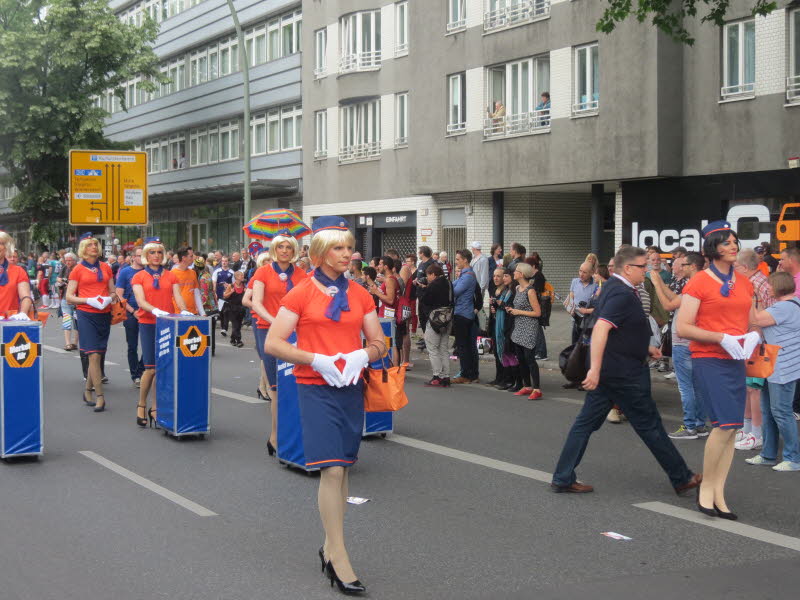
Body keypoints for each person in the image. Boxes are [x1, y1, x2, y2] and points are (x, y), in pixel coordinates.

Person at [265, 216, 384, 596]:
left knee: (344, 467)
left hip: (350, 385)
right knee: (331, 469)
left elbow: (381, 342)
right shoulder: (300, 292)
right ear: (319, 253)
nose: (347, 254)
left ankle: (329, 546)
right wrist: (315, 359)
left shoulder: (361, 293)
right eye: (339, 247)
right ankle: (338, 553)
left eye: (349, 247)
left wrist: (360, 356)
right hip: (314, 386)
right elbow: (274, 343)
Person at [552, 245, 703, 496]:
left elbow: (619, 331)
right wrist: (595, 371)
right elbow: (601, 328)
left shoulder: (614, 287)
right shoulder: (622, 293)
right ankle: (681, 477)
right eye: (643, 266)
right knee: (650, 424)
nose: (647, 271)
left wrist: (644, 347)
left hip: (616, 369)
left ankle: (563, 476)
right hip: (624, 374)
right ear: (628, 268)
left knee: (586, 424)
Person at [676, 221, 757, 519]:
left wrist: (754, 335)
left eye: (734, 240)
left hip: (736, 360)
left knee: (733, 428)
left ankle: (719, 493)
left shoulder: (745, 282)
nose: (733, 245)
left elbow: (753, 320)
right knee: (723, 426)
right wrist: (722, 337)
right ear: (712, 248)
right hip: (708, 358)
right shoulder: (698, 282)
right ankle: (706, 489)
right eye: (725, 242)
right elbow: (684, 327)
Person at [251, 231, 308, 456]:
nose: (285, 251)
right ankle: (275, 436)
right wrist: (277, 322)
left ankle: (294, 434)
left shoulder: (303, 275)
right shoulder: (262, 272)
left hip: (295, 333)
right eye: (281, 247)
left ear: (294, 251)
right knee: (276, 388)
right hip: (267, 330)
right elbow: (256, 303)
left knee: (295, 385)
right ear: (274, 250)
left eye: (289, 247)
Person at [132, 237, 191, 428]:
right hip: (148, 322)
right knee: (150, 368)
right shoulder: (139, 276)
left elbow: (178, 296)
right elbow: (140, 301)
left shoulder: (171, 275)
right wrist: (154, 310)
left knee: (163, 368)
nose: (156, 256)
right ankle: (142, 404)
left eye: (159, 252)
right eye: (152, 252)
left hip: (167, 323)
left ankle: (156, 407)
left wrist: (183, 311)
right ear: (146, 255)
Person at [746, 272, 800, 471]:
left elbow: (756, 319)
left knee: (781, 412)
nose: (767, 288)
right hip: (775, 365)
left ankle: (793, 458)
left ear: (778, 286)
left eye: (769, 285)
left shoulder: (783, 308)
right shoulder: (791, 305)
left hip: (781, 368)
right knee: (768, 410)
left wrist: (750, 298)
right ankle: (768, 454)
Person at [650, 252, 708, 438]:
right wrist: (661, 285)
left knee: (686, 386)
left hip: (683, 341)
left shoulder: (695, 284)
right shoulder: (703, 283)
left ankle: (690, 426)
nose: (680, 268)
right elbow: (676, 300)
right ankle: (699, 425)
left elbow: (668, 306)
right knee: (697, 385)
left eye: (684, 264)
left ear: (692, 266)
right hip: (697, 340)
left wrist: (657, 282)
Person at [66, 233, 117, 412]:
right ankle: (100, 396)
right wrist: (88, 300)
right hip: (86, 314)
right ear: (83, 249)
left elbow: (113, 292)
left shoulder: (106, 267)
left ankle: (87, 390)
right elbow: (69, 296)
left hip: (104, 314)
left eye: (95, 244)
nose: (94, 247)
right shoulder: (77, 269)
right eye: (90, 245)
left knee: (98, 354)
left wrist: (108, 299)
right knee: (93, 355)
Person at [733, 248, 776, 450]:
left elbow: (769, 316)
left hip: (759, 343)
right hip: (750, 340)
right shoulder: (756, 283)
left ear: (744, 267)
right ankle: (748, 428)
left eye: (735, 266)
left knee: (754, 389)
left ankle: (756, 434)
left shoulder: (760, 285)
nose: (733, 269)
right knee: (748, 388)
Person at [507, 263, 543, 400]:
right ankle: (527, 385)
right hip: (518, 326)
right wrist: (510, 309)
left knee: (529, 358)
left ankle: (537, 388)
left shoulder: (530, 290)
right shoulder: (517, 288)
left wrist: (518, 311)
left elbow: (537, 313)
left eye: (516, 271)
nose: (513, 273)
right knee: (520, 358)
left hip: (529, 327)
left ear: (521, 274)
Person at [115, 246, 145, 388]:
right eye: (138, 255)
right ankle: (135, 375)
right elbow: (119, 295)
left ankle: (141, 369)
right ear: (133, 257)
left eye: (143, 255)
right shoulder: (125, 272)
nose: (141, 258)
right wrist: (132, 311)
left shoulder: (148, 271)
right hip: (131, 313)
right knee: (132, 345)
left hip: (147, 312)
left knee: (150, 344)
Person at [420, 262, 453, 387]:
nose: (427, 278)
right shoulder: (449, 283)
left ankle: (437, 376)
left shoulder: (434, 285)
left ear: (433, 274)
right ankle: (446, 376)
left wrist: (423, 289)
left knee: (433, 348)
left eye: (428, 275)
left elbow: (425, 301)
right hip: (448, 318)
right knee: (443, 348)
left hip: (435, 319)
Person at [451, 249, 480, 384]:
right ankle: (471, 373)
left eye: (458, 259)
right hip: (463, 313)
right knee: (467, 345)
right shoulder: (465, 275)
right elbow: (452, 286)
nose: (456, 262)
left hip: (463, 314)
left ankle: (466, 374)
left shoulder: (468, 276)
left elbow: (454, 291)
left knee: (463, 346)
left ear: (465, 260)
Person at [368, 256, 399, 362]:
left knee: (392, 342)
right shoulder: (387, 280)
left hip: (388, 315)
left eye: (380, 264)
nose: (378, 266)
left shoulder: (390, 280)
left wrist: (376, 292)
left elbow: (390, 300)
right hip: (384, 313)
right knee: (387, 341)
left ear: (386, 266)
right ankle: (390, 368)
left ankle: (394, 371)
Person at [0, 231, 34, 319]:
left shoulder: (18, 271)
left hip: (9, 323)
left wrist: (23, 313)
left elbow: (25, 296)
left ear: (6, 247)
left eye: (1, 243)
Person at [568, 262, 598, 345]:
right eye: (580, 271)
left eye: (584, 272)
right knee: (575, 346)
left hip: (589, 322)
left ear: (591, 273)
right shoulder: (575, 281)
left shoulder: (596, 285)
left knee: (586, 347)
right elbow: (571, 297)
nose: (581, 274)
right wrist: (569, 308)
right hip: (575, 320)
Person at [172, 246, 203, 316]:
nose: (193, 258)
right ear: (183, 258)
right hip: (177, 314)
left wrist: (202, 312)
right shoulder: (172, 274)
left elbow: (196, 293)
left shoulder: (193, 273)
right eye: (191, 256)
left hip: (192, 313)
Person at [59, 252, 79, 351]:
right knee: (66, 320)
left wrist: (72, 284)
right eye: (66, 260)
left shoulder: (79, 269)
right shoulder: (64, 268)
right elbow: (58, 279)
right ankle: (67, 343)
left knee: (77, 322)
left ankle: (74, 343)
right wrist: (63, 281)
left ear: (75, 260)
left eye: (70, 260)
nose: (67, 262)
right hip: (65, 298)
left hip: (78, 299)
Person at [222, 271, 246, 347]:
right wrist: (231, 292)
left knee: (238, 325)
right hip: (232, 308)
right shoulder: (231, 286)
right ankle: (238, 340)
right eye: (241, 275)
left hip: (241, 309)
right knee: (235, 325)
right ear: (237, 277)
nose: (243, 277)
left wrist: (246, 292)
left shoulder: (244, 286)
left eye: (243, 275)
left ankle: (232, 339)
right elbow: (225, 296)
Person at [212, 256, 234, 336]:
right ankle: (222, 327)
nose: (224, 262)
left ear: (228, 262)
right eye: (223, 261)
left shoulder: (232, 272)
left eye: (226, 261)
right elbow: (214, 282)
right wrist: (214, 292)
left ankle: (225, 328)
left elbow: (234, 284)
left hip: (227, 295)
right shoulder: (217, 271)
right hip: (219, 295)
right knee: (221, 311)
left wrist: (229, 285)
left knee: (226, 311)